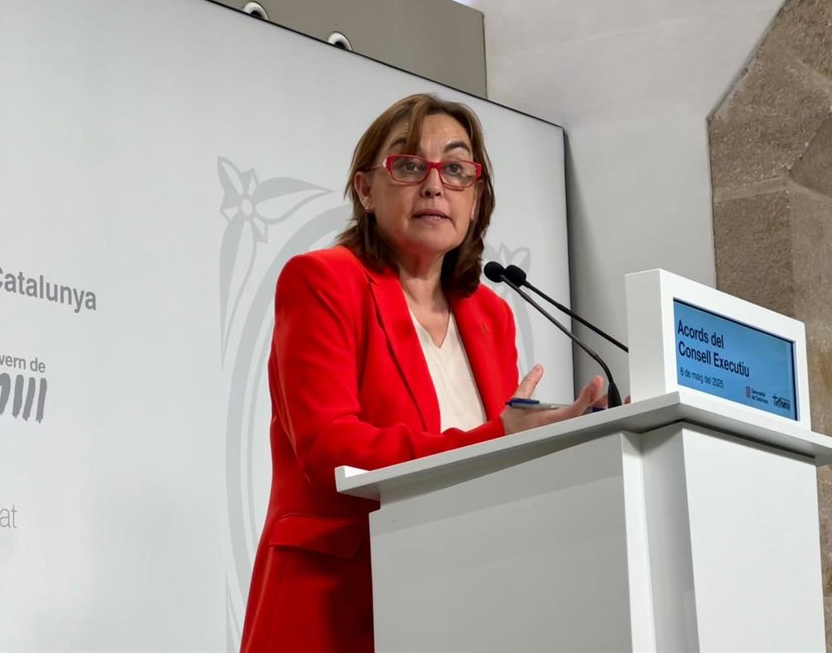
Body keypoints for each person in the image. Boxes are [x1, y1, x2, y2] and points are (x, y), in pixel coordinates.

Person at [239, 93, 607, 653]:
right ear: (365, 190)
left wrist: (578, 437)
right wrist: (499, 437)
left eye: (455, 169)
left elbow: (498, 465)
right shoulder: (322, 280)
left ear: (476, 197)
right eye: (410, 165)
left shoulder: (491, 315)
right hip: (338, 604)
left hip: (460, 597)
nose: (435, 185)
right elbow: (329, 448)